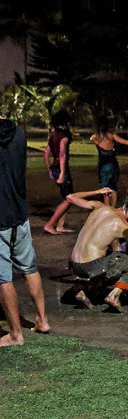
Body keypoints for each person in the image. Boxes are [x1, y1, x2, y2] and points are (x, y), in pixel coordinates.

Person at [1, 112, 51, 346]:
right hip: (20, 213)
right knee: (29, 268)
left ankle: (15, 334)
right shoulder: (19, 133)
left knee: (3, 278)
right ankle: (42, 320)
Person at [65, 189, 128, 312]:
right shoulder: (123, 226)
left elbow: (70, 197)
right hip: (91, 266)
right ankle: (114, 295)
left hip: (73, 264)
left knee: (109, 250)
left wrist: (97, 191)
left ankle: (82, 289)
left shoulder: (100, 207)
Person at [91, 117, 128, 207]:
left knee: (105, 189)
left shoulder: (95, 137)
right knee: (113, 188)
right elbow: (124, 141)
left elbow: (92, 139)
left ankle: (107, 209)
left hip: (103, 166)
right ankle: (112, 207)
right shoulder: (112, 135)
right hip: (113, 164)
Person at [43, 111, 75, 235]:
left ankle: (60, 225)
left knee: (66, 197)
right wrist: (62, 174)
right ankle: (50, 225)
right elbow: (62, 156)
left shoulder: (53, 136)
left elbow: (46, 156)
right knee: (69, 198)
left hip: (55, 169)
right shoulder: (64, 137)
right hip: (62, 170)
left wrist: (50, 170)